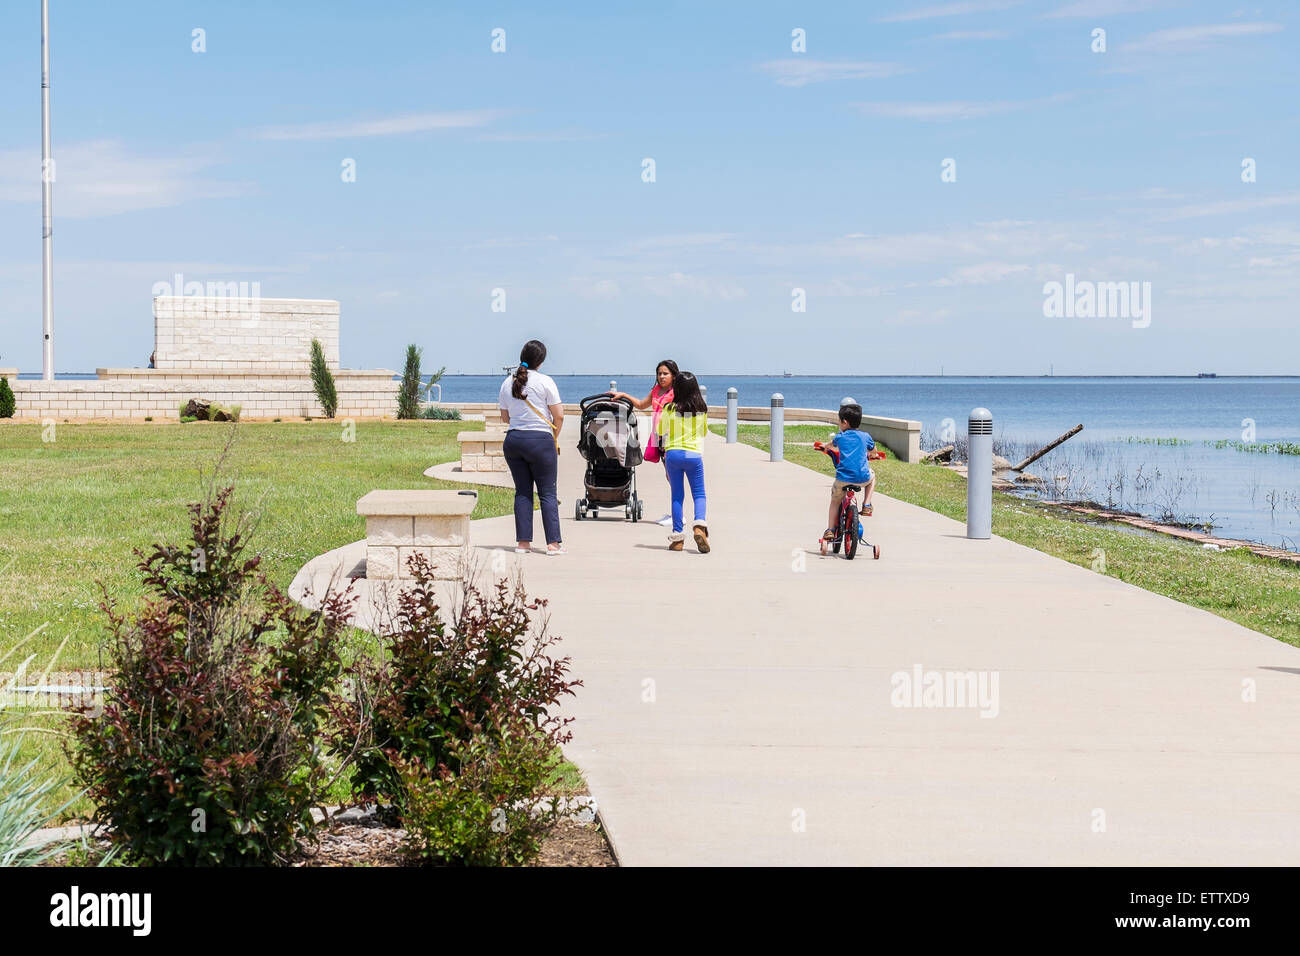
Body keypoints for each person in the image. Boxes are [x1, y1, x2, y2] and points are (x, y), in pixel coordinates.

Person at [498, 340, 565, 555]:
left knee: (523, 492)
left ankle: (523, 543)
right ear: (542, 361)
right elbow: (559, 416)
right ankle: (553, 544)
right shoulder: (546, 382)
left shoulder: (507, 382)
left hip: (514, 441)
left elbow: (505, 417)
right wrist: (553, 436)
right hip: (541, 441)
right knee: (547, 492)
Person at [609, 360, 677, 525]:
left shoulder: (677, 392)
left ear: (674, 375)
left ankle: (678, 516)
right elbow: (640, 405)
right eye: (659, 373)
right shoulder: (656, 391)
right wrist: (624, 395)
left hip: (672, 438)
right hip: (659, 438)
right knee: (669, 476)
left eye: (665, 373)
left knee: (673, 477)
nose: (661, 376)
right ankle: (675, 514)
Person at [656, 371, 710, 553]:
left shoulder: (669, 409)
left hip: (673, 454)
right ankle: (699, 527)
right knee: (699, 493)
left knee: (677, 495)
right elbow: (703, 433)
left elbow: (661, 430)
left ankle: (678, 538)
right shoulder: (701, 410)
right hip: (693, 455)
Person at [814, 403, 876, 542]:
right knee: (872, 476)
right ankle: (866, 504)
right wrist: (872, 455)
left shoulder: (840, 437)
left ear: (845, 422)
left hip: (842, 479)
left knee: (835, 501)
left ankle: (830, 529)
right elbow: (873, 450)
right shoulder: (866, 436)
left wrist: (824, 447)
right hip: (862, 478)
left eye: (839, 421)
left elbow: (830, 445)